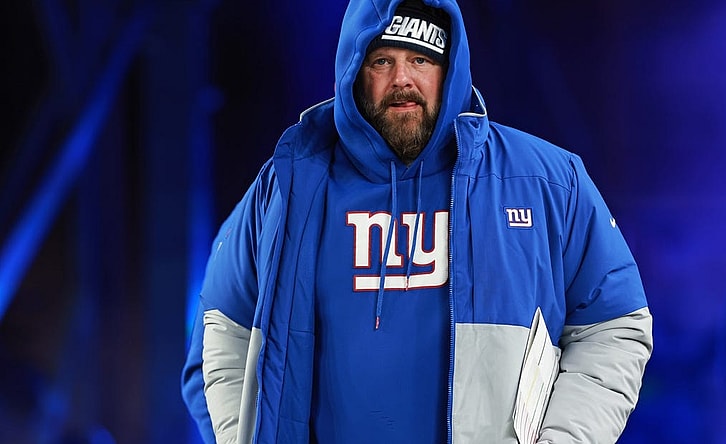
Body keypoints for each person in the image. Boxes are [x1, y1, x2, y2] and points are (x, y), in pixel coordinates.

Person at [181, 0, 654, 443]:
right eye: (382, 61)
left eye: (421, 60)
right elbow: (219, 336)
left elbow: (615, 327)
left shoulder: (546, 181)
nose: (402, 79)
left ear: (450, 70)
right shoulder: (289, 186)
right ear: (354, 71)